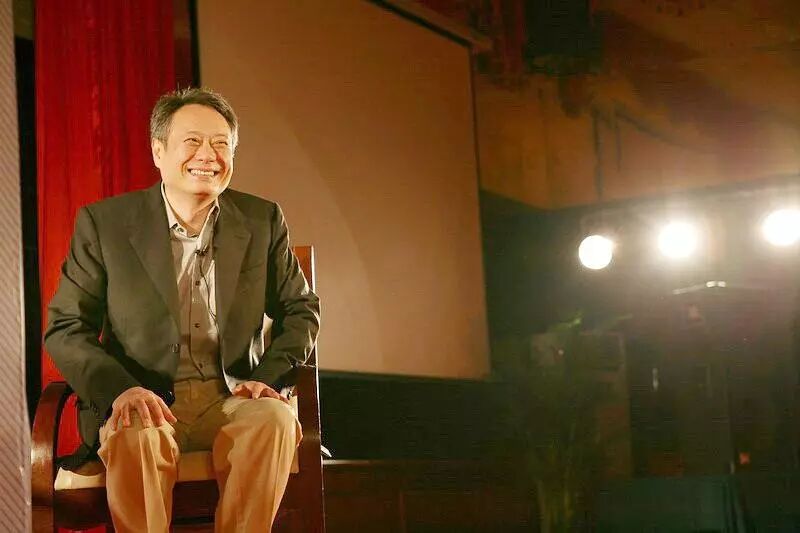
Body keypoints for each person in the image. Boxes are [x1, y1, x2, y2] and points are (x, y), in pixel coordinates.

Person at [44, 87, 321, 532]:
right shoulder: (105, 224)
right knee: (136, 430)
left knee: (273, 419)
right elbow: (66, 327)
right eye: (192, 141)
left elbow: (300, 308)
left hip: (232, 396)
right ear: (159, 151)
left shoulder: (262, 220)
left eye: (221, 144)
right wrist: (121, 389)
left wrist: (267, 379)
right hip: (145, 396)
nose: (208, 155)